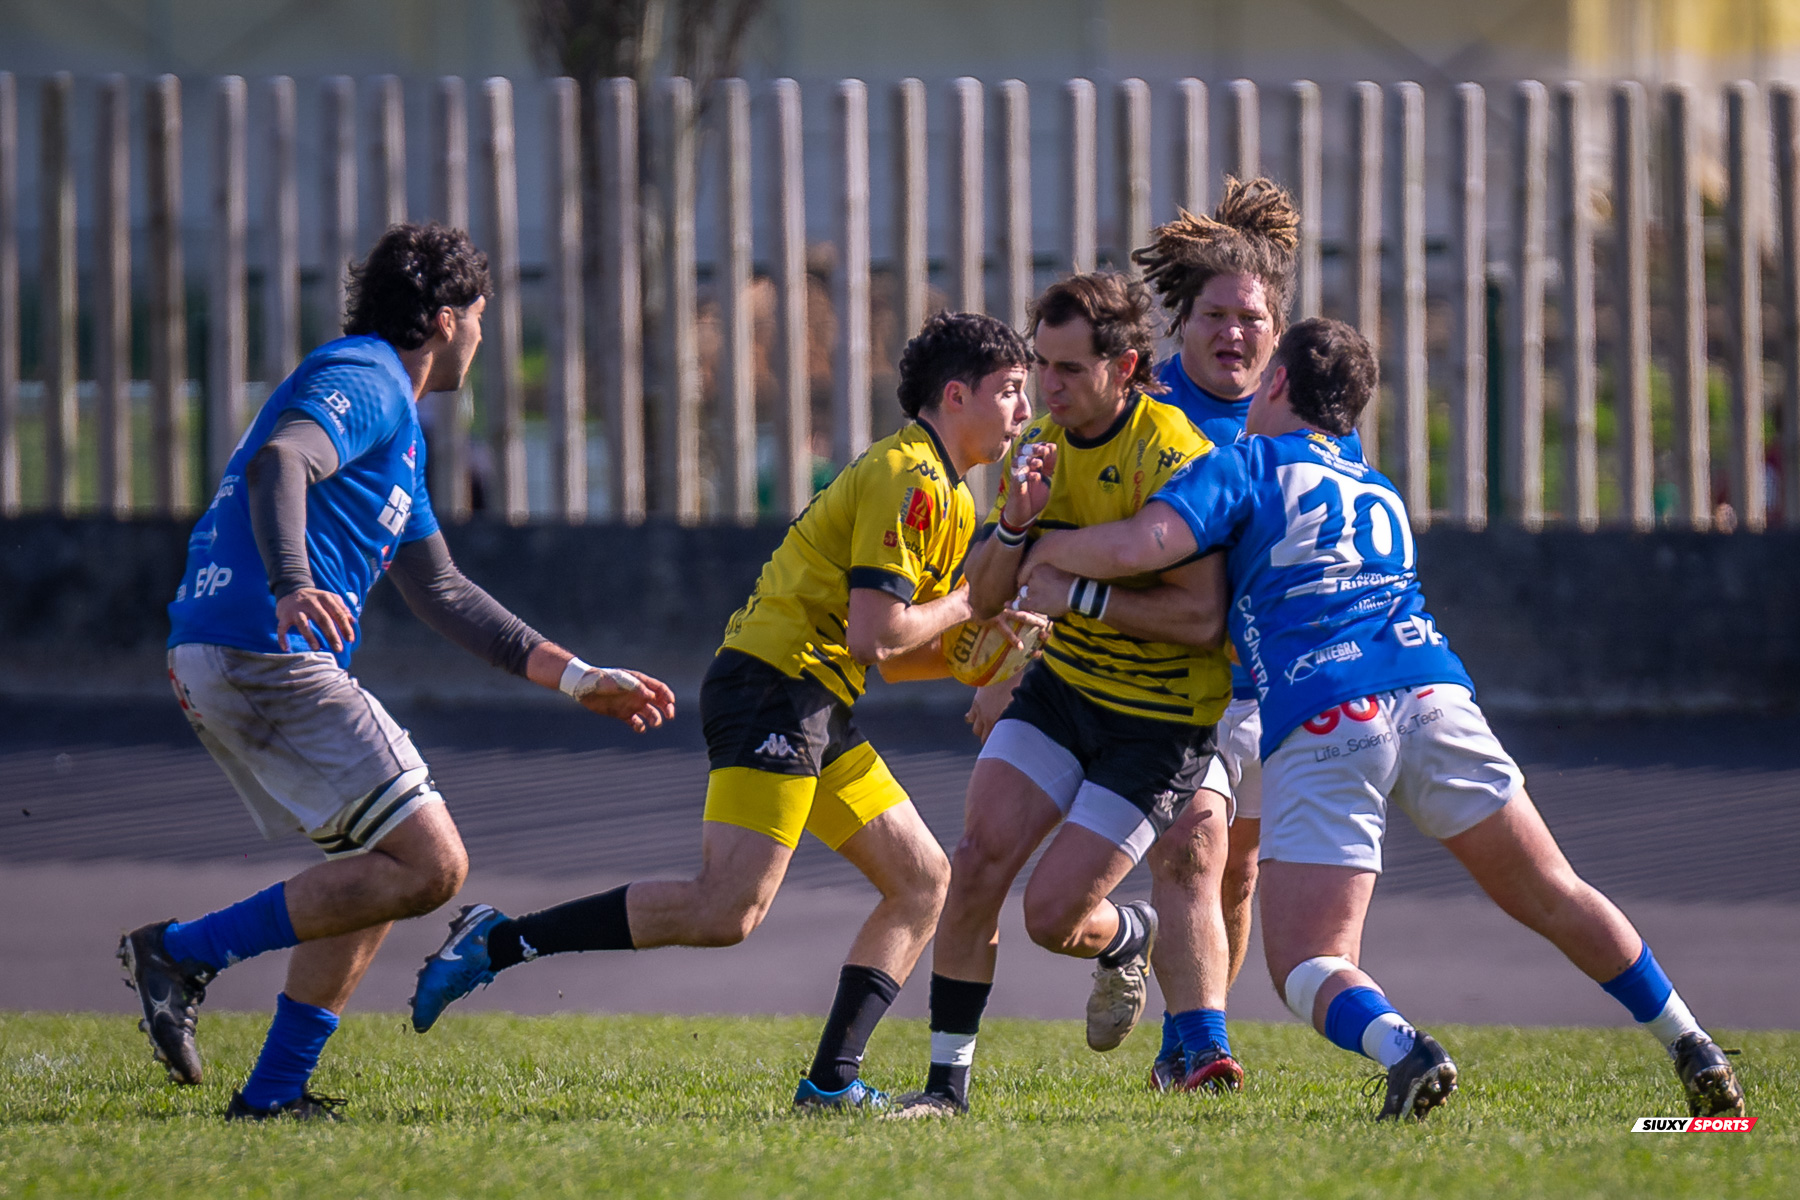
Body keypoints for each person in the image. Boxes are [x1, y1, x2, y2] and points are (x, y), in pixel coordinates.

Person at [1023, 317, 1747, 1120]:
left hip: (1328, 715)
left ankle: (1407, 1051)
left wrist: (1040, 555)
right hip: (1437, 698)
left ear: (1277, 382)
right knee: (1553, 889)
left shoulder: (1248, 462)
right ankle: (1691, 1041)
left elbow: (1144, 544)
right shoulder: (1374, 484)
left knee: (1308, 964)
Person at [408, 312, 1040, 1111]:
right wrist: (971, 605)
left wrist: (987, 653)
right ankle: (498, 941)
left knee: (921, 880)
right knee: (725, 909)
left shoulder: (945, 492)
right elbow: (879, 634)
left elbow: (899, 650)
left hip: (815, 697)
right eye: (1011, 391)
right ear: (956, 396)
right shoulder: (909, 475)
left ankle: (830, 1084)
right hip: (775, 685)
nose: (1025, 410)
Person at [121, 222, 675, 1122]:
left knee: (382, 862)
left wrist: (579, 679)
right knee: (433, 865)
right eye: (481, 318)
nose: (484, 338)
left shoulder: (400, 431)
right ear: (447, 320)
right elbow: (281, 460)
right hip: (263, 649)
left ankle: (273, 1094)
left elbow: (443, 591)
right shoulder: (370, 375)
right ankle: (181, 952)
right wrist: (293, 584)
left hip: (232, 651)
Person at [888, 273, 1239, 1119]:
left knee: (1051, 918)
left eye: (1070, 369)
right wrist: (1015, 523)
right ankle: (945, 1090)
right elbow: (987, 596)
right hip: (1064, 692)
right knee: (975, 863)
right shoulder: (1041, 445)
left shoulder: (1175, 455)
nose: (1047, 386)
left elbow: (1201, 619)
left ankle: (1129, 932)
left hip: (1158, 724)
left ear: (1125, 368)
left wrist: (1079, 594)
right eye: (1042, 364)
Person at [1130, 175, 1363, 1087]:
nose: (1233, 333)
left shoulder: (1310, 421)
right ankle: (1204, 1046)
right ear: (1181, 323)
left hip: (1276, 691)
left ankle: (1182, 1037)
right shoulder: (1142, 410)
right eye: (1215, 316)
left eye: (1251, 319)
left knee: (1239, 872)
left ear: (1278, 331)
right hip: (1174, 680)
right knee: (1193, 844)